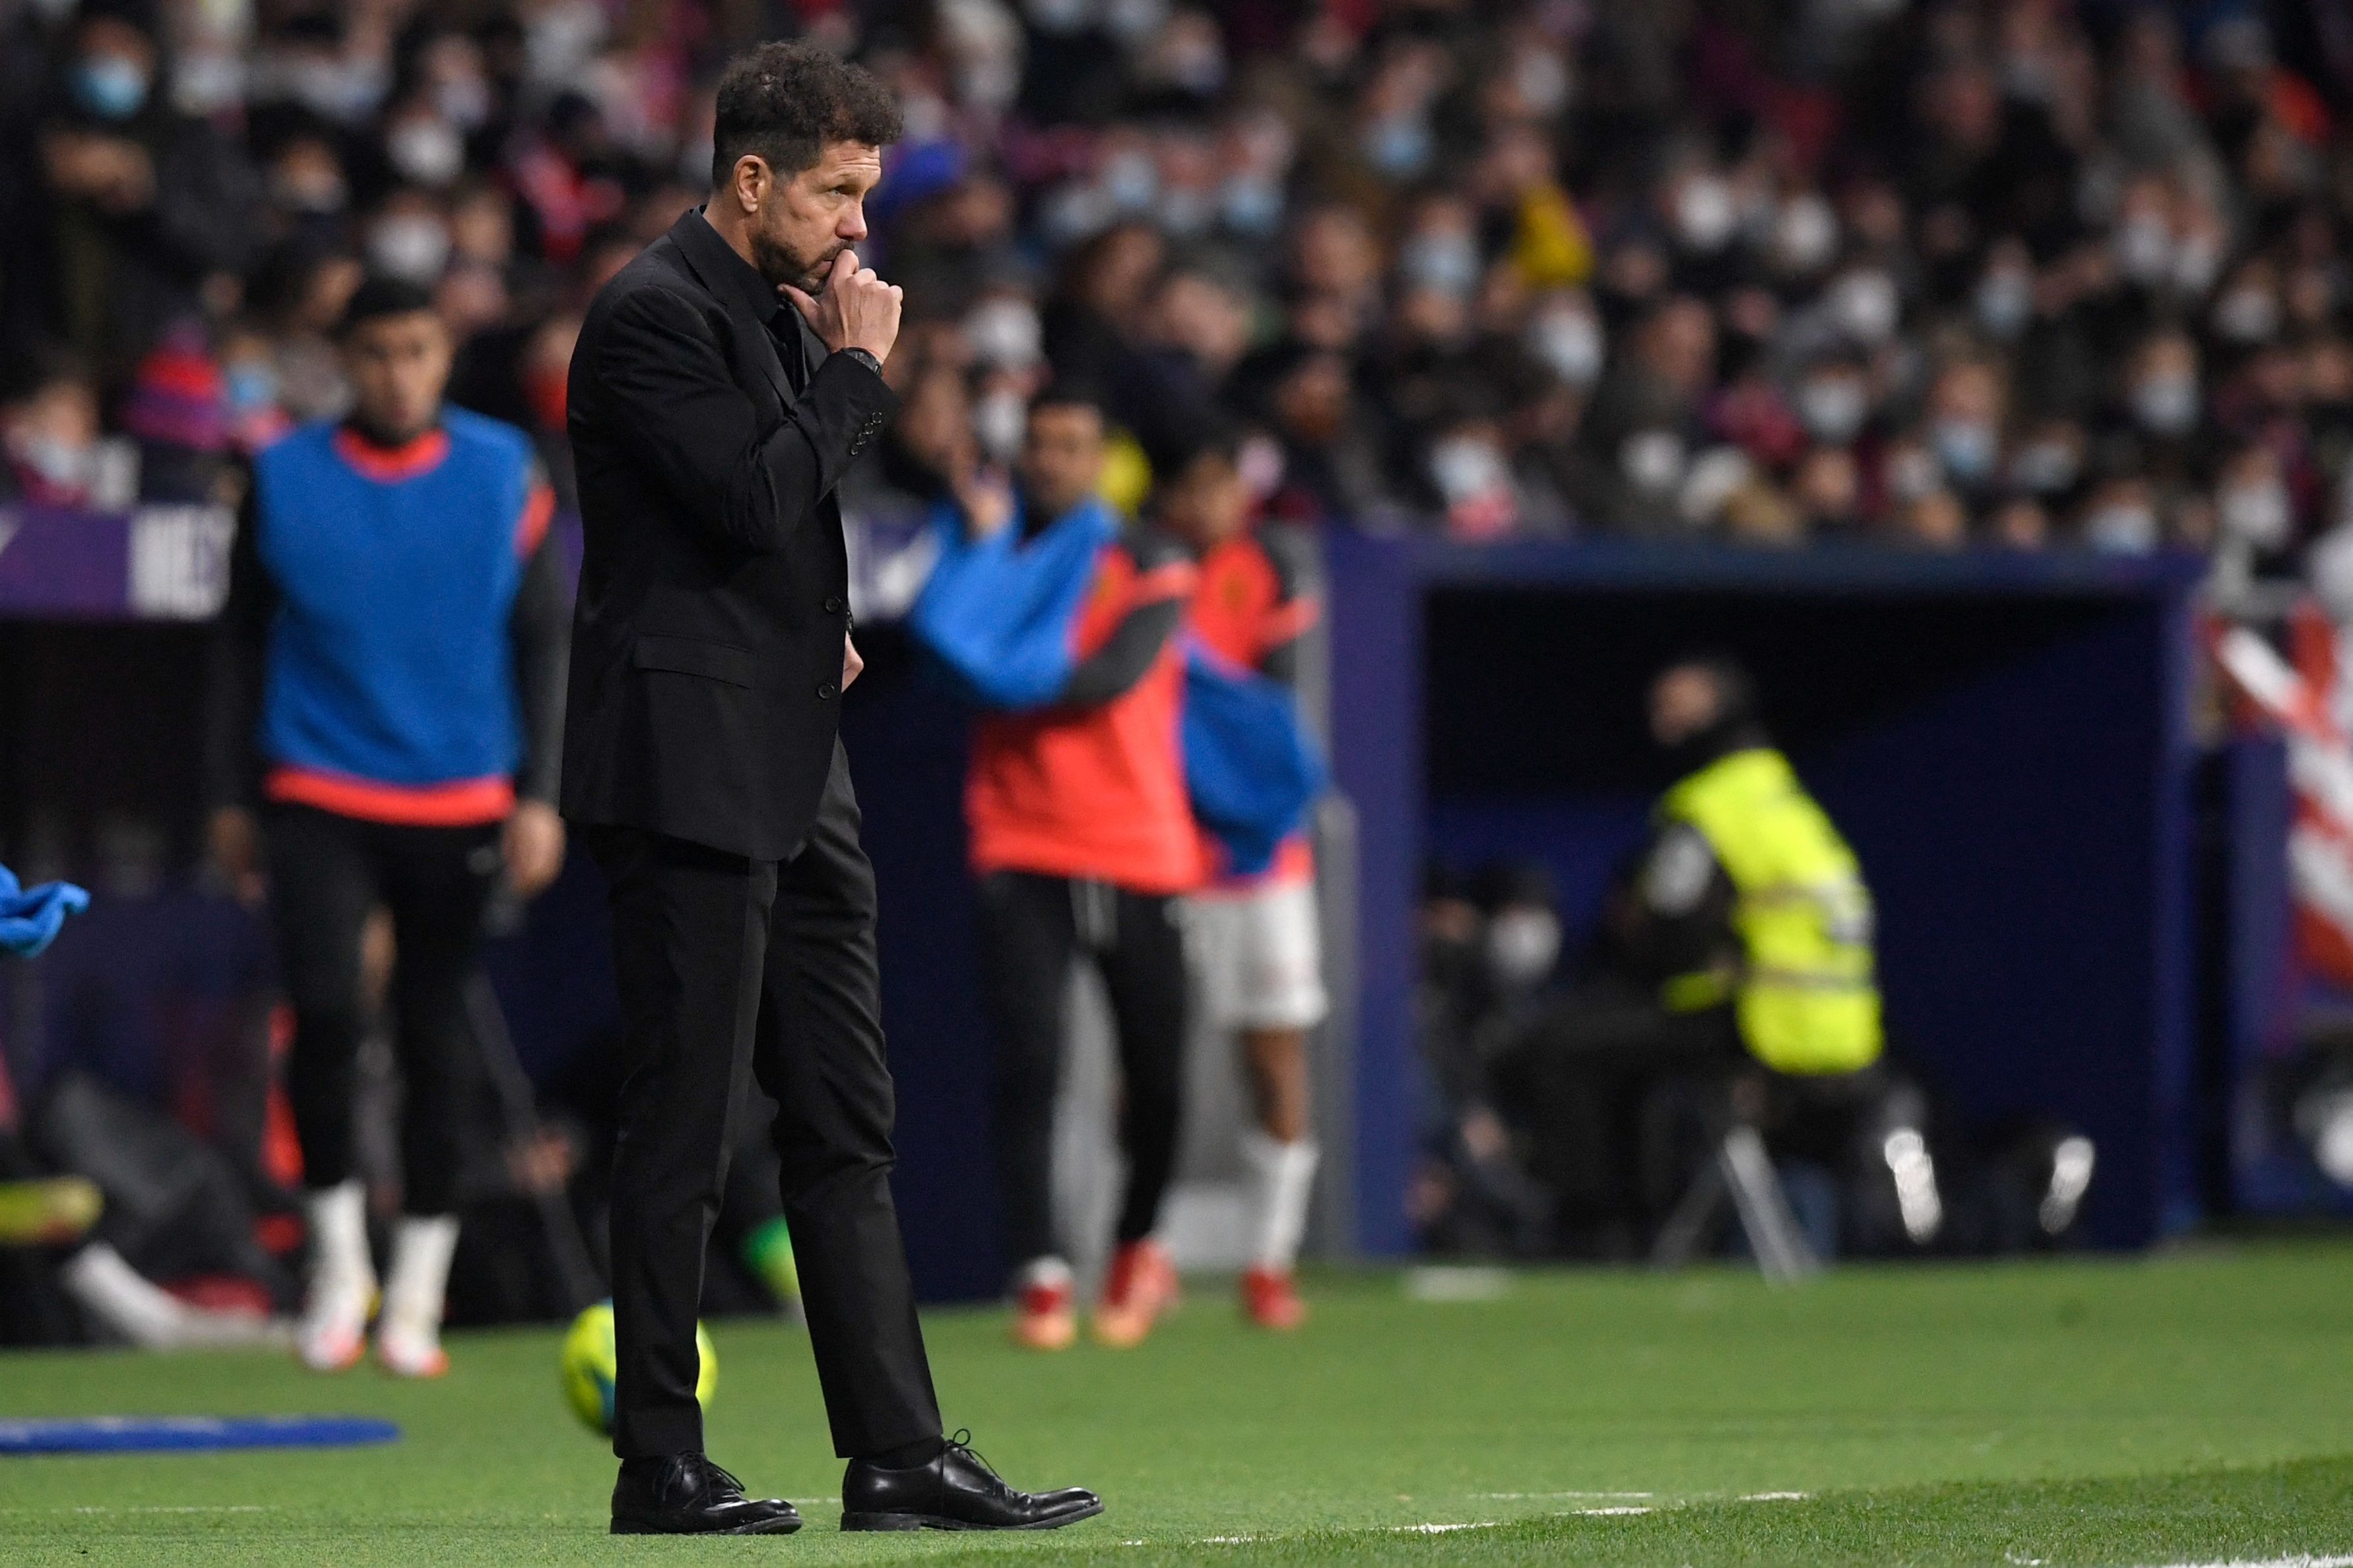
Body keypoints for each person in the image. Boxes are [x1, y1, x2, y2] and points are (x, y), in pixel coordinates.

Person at [560, 42, 1098, 1535]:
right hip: (680, 768)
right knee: (684, 1120)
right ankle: (658, 1458)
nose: (860, 226)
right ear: (751, 178)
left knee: (848, 1117)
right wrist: (858, 373)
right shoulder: (649, 315)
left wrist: (820, 624)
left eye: (866, 193)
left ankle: (896, 1449)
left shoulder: (778, 316)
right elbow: (746, 494)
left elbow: (760, 530)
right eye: (838, 192)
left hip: (797, 761)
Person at [204, 276, 570, 1377]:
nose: (397, 374)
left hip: (460, 792)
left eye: (416, 351)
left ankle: (416, 1292)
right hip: (317, 785)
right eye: (376, 354)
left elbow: (546, 637)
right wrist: (229, 794)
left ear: (444, 355)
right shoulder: (281, 473)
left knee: (437, 1040)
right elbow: (235, 642)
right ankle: (336, 1267)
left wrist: (541, 793)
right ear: (346, 361)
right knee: (322, 1018)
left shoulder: (505, 469)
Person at [913, 385, 1202, 1352]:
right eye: (1039, 443)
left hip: (1137, 845)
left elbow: (1101, 678)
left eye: (1073, 443)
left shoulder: (1147, 558)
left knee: (1156, 1074)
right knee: (1029, 1065)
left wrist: (1002, 651)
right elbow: (942, 645)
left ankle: (1136, 1244)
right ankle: (1039, 1270)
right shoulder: (983, 547)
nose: (1052, 460)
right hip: (1021, 838)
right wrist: (989, 565)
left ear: (1102, 457)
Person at [1495, 657, 1910, 1255]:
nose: (1659, 723)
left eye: (1674, 707)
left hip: (1757, 1022)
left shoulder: (1710, 807)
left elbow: (1667, 926)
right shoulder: (1783, 801)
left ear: (1716, 713)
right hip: (1840, 1028)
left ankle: (1593, 1233)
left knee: (1556, 1047)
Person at [1156, 427, 1325, 1329]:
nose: (1213, 504)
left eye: (1226, 486)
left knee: (1273, 1050)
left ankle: (1268, 1261)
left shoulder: (1270, 573)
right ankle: (1141, 1250)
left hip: (1261, 859)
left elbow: (1265, 713)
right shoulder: (1137, 572)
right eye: (1198, 485)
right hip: (1165, 850)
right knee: (1150, 1057)